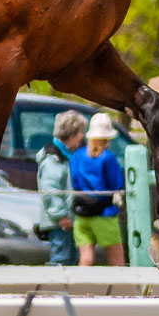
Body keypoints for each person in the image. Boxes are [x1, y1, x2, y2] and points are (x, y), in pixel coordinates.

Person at [69, 112, 125, 266]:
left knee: (86, 258)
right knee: (117, 259)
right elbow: (116, 185)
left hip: (82, 213)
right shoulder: (108, 157)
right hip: (104, 214)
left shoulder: (77, 156)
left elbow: (74, 181)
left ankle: (81, 289)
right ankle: (118, 290)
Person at [36, 110, 86, 266]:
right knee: (61, 258)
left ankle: (66, 290)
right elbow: (50, 191)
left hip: (67, 219)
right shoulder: (53, 160)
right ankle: (56, 289)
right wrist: (61, 216)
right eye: (80, 132)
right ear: (71, 134)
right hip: (59, 222)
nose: (82, 136)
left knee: (71, 259)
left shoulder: (65, 157)